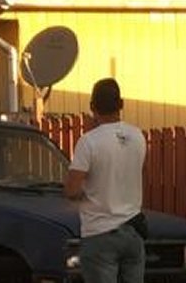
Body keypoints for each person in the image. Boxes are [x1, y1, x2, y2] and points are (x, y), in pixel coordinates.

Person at [65, 78, 147, 283]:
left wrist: (86, 194)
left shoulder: (89, 141)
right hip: (133, 231)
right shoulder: (138, 136)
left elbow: (72, 190)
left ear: (92, 106)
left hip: (100, 233)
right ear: (121, 104)